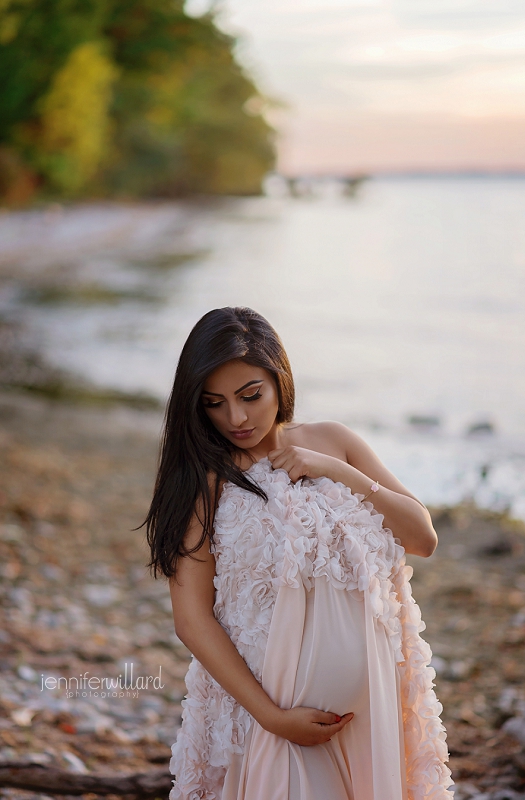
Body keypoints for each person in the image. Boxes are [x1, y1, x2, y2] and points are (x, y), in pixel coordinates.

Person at [145, 306, 453, 800]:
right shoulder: (204, 481)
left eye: (250, 395)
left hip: (372, 709)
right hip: (273, 720)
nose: (237, 418)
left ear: (279, 379)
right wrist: (273, 719)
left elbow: (422, 538)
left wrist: (336, 469)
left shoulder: (334, 441)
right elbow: (192, 620)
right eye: (214, 403)